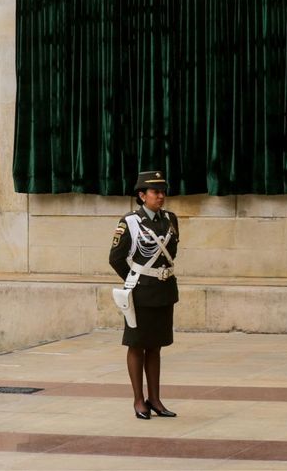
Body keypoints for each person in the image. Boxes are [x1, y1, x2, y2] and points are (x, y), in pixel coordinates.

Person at [109, 170, 179, 420]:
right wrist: (135, 279)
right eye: (155, 192)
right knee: (137, 345)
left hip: (164, 290)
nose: (161, 196)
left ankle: (156, 399)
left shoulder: (170, 219)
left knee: (156, 346)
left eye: (163, 192)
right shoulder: (129, 222)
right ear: (142, 195)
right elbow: (116, 258)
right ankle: (139, 399)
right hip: (140, 293)